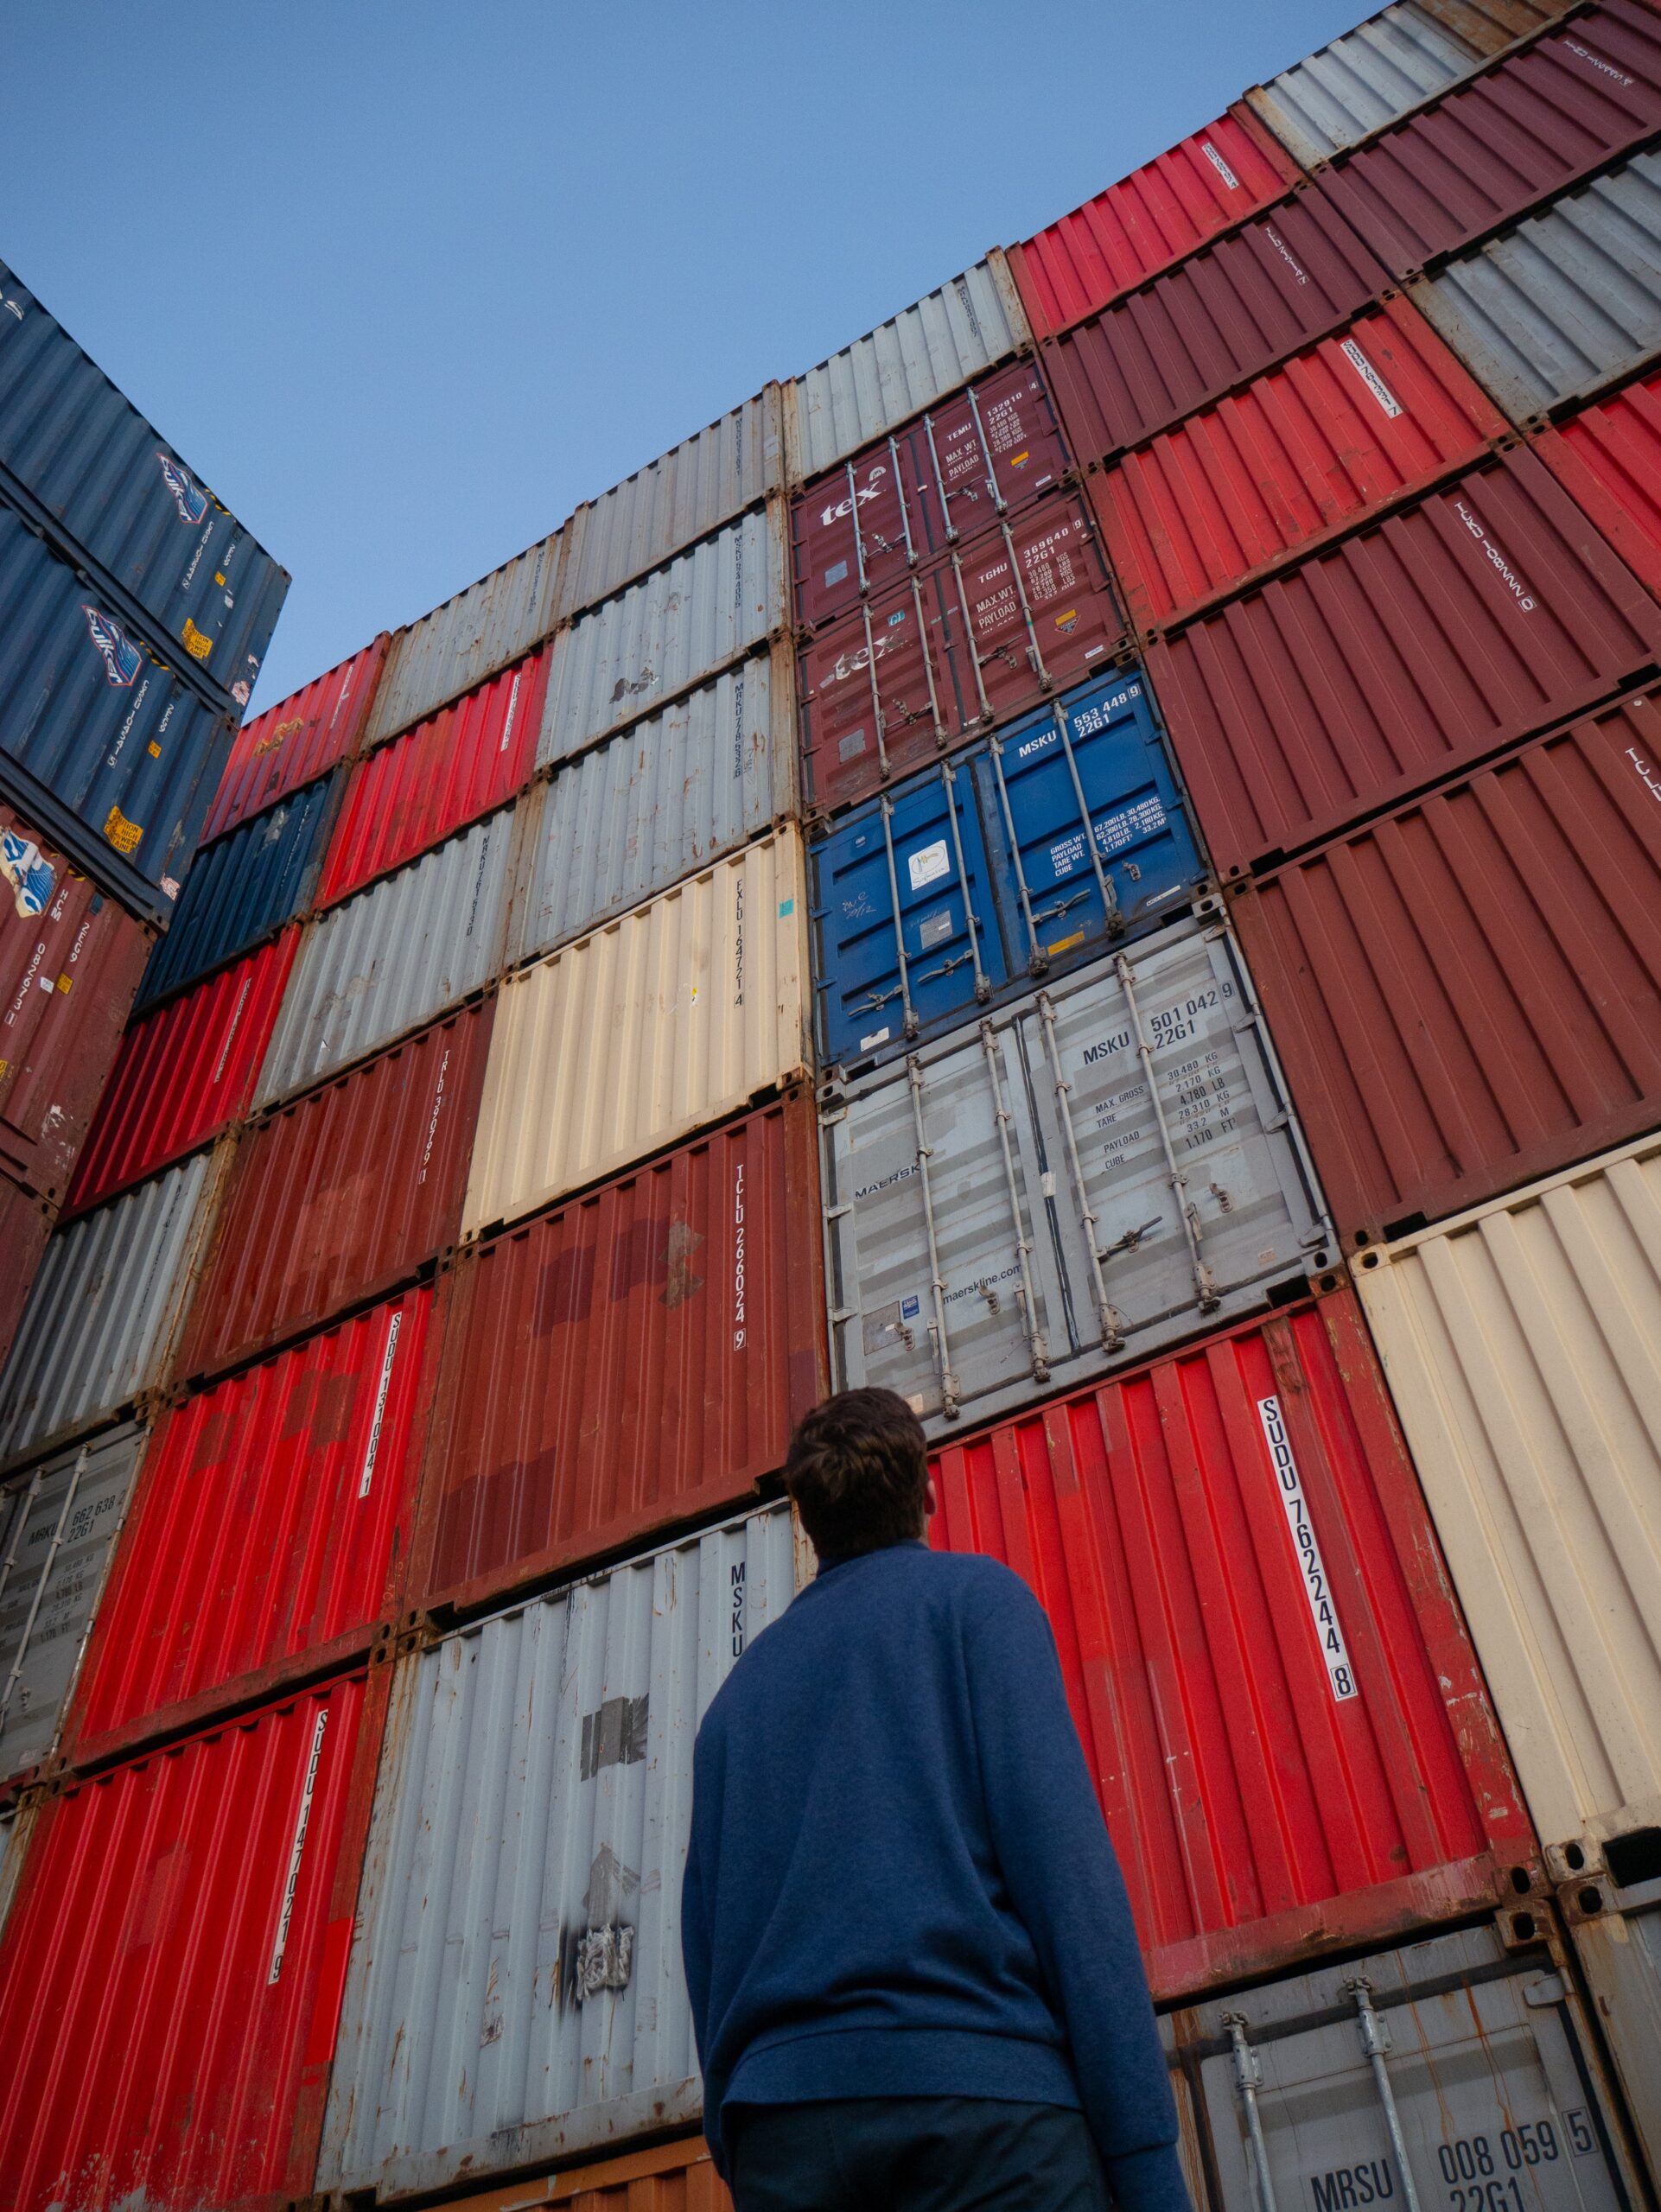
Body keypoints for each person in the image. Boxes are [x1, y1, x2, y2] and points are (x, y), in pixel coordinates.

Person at [680, 1387, 1190, 2212]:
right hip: (986, 2117)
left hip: (787, 2143)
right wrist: (1146, 2162)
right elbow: (1071, 1890)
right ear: (928, 1493)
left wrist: (748, 2149)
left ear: (805, 1526)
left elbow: (707, 1963)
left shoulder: (731, 1710)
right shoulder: (977, 1606)